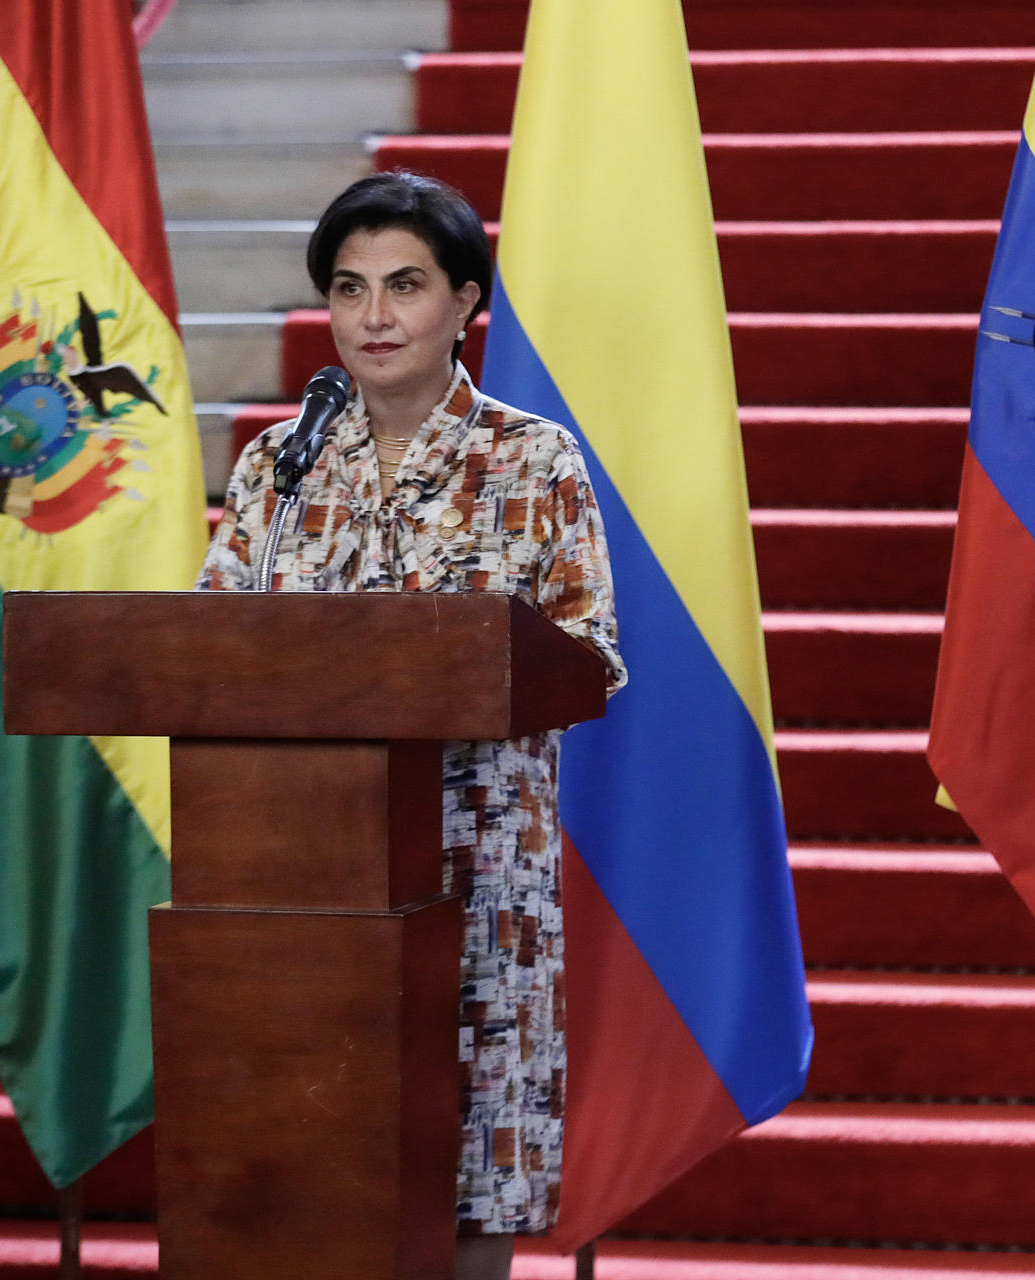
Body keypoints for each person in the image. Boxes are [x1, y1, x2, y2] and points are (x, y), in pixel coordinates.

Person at [198, 171, 626, 1280]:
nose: (373, 317)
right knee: (309, 1129)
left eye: (404, 287)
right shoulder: (277, 465)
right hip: (302, 865)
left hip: (475, 858)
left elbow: (590, 658)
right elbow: (204, 645)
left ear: (465, 302)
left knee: (469, 1140)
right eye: (348, 289)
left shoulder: (532, 460)